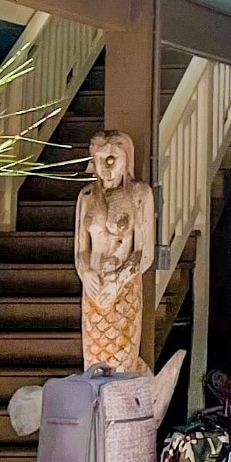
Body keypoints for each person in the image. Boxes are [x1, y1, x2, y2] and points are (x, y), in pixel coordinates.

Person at [74, 129, 155, 373]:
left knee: (122, 358)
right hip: (93, 286)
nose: (105, 168)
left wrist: (118, 280)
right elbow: (81, 249)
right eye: (100, 160)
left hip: (124, 286)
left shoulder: (140, 194)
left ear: (126, 160)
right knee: (93, 359)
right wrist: (85, 272)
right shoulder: (87, 196)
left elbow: (144, 253)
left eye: (112, 159)